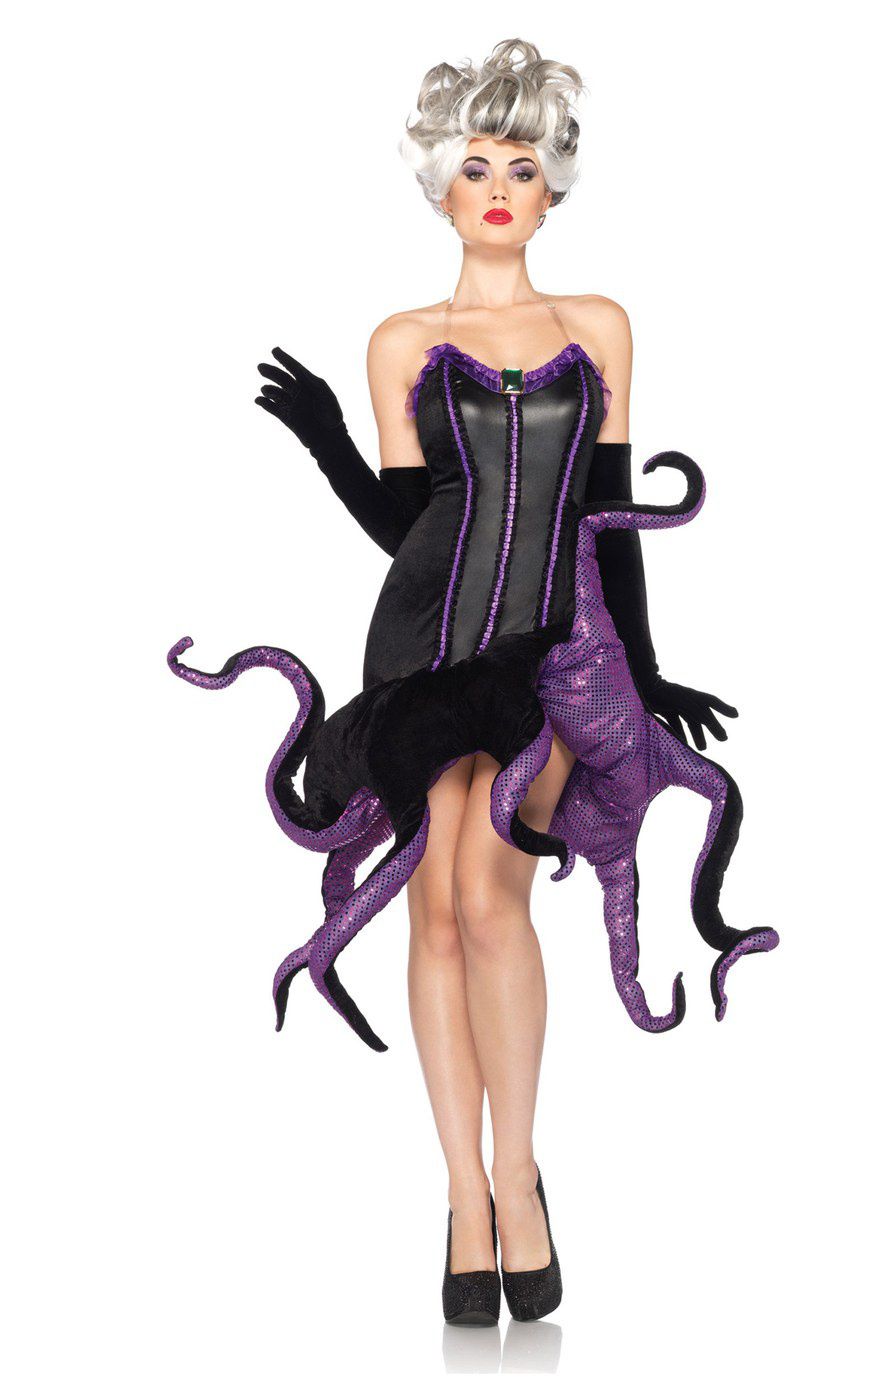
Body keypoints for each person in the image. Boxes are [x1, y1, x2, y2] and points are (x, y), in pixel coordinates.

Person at [167, 37, 778, 1326]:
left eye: (522, 169)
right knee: (434, 913)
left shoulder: (599, 327)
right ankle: (462, 1197)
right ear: (442, 186)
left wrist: (643, 672)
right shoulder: (402, 341)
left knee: (492, 899)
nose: (498, 189)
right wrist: (332, 441)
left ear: (551, 191)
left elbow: (603, 513)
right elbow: (413, 530)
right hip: (419, 651)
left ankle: (519, 1179)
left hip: (541, 657)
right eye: (477, 168)